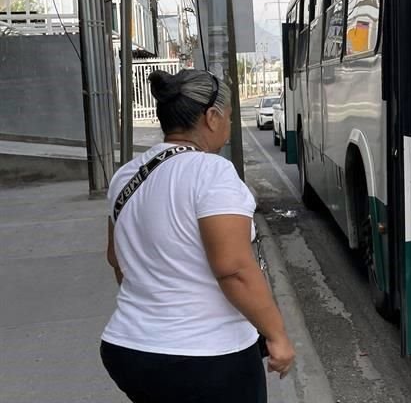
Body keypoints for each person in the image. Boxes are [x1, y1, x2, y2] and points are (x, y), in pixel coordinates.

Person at [100, 69, 295, 402]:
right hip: (207, 357)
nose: (229, 126)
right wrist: (277, 335)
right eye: (229, 118)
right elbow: (233, 269)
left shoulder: (126, 175)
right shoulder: (212, 172)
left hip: (129, 349)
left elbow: (117, 260)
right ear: (212, 117)